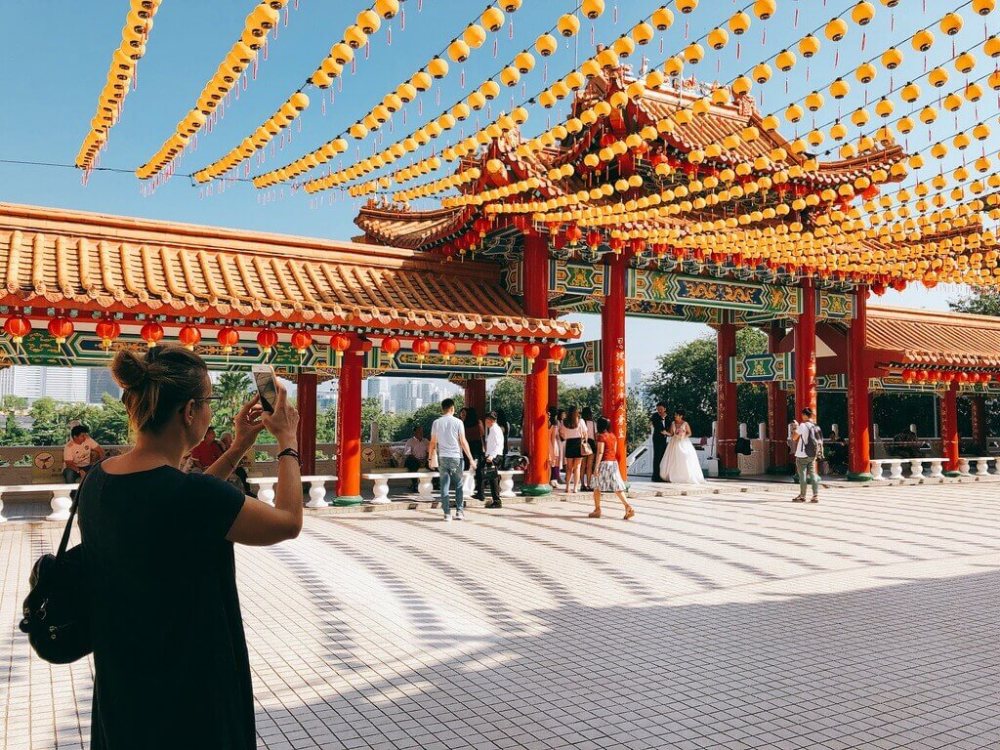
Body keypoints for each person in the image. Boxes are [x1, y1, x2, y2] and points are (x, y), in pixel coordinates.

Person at [78, 345, 301, 750]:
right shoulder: (189, 496)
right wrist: (288, 440)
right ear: (189, 412)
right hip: (192, 693)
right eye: (210, 403)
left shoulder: (98, 480)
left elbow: (181, 504)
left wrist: (236, 449)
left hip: (123, 687)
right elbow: (287, 522)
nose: (212, 414)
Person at [428, 398, 475, 521]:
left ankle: (447, 514)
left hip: (442, 457)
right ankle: (459, 512)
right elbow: (463, 441)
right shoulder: (458, 422)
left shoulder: (436, 423)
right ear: (452, 408)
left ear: (442, 409)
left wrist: (429, 458)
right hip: (456, 458)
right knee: (458, 485)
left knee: (444, 485)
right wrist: (470, 458)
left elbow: (432, 442)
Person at [589, 416, 635, 520]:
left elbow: (600, 452)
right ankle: (628, 506)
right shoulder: (613, 436)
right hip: (613, 463)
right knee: (617, 488)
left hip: (604, 463)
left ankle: (597, 510)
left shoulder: (601, 436)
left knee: (597, 487)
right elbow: (613, 450)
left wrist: (596, 467)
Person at [659, 409, 706, 484]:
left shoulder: (685, 423)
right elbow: (671, 434)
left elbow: (689, 433)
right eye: (675, 415)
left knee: (684, 456)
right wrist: (665, 433)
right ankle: (673, 475)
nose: (675, 416)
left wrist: (683, 436)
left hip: (683, 442)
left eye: (676, 415)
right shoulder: (673, 423)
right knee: (673, 459)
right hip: (674, 443)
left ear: (681, 416)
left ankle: (685, 475)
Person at [792, 407, 823, 503]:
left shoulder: (802, 425)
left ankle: (802, 495)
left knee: (802, 476)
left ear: (805, 415)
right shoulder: (815, 426)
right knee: (813, 474)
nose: (802, 416)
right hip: (813, 454)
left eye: (802, 414)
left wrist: (795, 427)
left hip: (802, 455)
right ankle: (815, 495)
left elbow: (794, 438)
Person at [558, 405, 589, 494]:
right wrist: (584, 440)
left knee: (569, 468)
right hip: (578, 443)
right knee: (577, 467)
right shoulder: (581, 421)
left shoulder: (564, 422)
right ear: (577, 412)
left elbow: (561, 433)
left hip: (569, 444)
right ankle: (575, 488)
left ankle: (567, 487)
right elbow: (585, 433)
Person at [479, 411, 504, 507]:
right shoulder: (494, 429)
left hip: (494, 456)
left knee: (493, 479)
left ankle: (496, 501)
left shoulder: (494, 429)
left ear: (489, 420)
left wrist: (491, 456)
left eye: (486, 420)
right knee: (491, 478)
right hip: (493, 455)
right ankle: (482, 495)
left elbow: (497, 445)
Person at [220, 431, 255, 497]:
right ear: (224, 439)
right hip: (226, 467)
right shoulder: (221, 447)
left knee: (242, 471)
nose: (231, 440)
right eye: (230, 439)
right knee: (241, 471)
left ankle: (247, 491)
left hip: (233, 466)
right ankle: (246, 492)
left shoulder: (230, 447)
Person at [462, 406, 486, 498]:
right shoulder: (479, 422)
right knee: (479, 471)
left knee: (468, 469)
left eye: (464, 414)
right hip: (478, 447)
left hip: (468, 448)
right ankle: (480, 492)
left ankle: (467, 489)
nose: (463, 415)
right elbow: (482, 435)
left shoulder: (463, 424)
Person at [402, 425, 430, 491]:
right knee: (412, 463)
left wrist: (425, 459)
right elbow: (408, 453)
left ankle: (436, 483)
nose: (421, 433)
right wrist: (418, 460)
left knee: (434, 463)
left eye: (422, 431)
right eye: (419, 431)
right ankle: (415, 484)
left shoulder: (426, 441)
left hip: (424, 459)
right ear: (414, 432)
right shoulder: (410, 441)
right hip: (414, 459)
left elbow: (429, 452)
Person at [650, 402, 670, 482]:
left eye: (661, 409)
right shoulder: (655, 416)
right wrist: (664, 431)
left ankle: (663, 475)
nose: (659, 411)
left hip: (665, 439)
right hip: (657, 439)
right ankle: (655, 476)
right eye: (658, 409)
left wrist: (668, 433)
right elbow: (657, 426)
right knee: (657, 457)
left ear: (665, 409)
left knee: (663, 457)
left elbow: (670, 426)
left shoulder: (668, 417)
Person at [580, 406, 598, 492]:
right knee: (589, 466)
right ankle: (589, 484)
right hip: (592, 444)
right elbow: (596, 436)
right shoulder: (594, 423)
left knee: (582, 465)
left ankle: (582, 484)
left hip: (583, 443)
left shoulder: (582, 422)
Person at [548, 407, 563, 487]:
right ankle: (554, 479)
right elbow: (553, 438)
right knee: (555, 463)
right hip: (552, 445)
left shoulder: (546, 423)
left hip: (545, 444)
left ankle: (548, 479)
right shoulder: (555, 424)